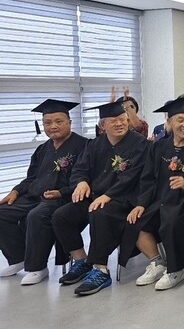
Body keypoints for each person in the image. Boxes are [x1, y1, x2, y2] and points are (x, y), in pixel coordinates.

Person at [52, 101, 149, 296]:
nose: (119, 124)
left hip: (124, 199)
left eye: (122, 119)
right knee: (61, 215)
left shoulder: (141, 144)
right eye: (113, 121)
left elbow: (133, 177)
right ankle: (80, 260)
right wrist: (81, 182)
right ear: (102, 126)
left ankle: (100, 269)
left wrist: (109, 195)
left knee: (100, 213)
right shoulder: (94, 145)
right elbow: (80, 169)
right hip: (96, 197)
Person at [118, 97, 184, 291]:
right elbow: (148, 179)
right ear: (168, 122)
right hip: (162, 200)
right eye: (180, 120)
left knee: (172, 221)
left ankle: (175, 269)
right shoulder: (158, 147)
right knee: (134, 220)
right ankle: (157, 261)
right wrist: (141, 204)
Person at [0, 100, 88, 285]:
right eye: (48, 123)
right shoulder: (42, 149)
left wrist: (61, 192)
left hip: (63, 198)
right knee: (2, 212)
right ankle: (18, 258)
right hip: (34, 196)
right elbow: (31, 177)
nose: (53, 126)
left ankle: (37, 267)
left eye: (58, 121)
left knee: (37, 215)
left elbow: (86, 179)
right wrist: (15, 191)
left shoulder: (85, 146)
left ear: (69, 122)